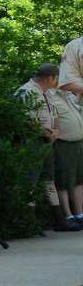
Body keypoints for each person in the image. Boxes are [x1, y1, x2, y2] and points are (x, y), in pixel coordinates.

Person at [16, 64, 77, 232]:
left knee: (48, 180)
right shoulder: (27, 91)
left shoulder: (47, 93)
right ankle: (28, 223)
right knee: (30, 181)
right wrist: (45, 133)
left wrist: (54, 132)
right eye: (57, 78)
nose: (58, 81)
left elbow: (54, 115)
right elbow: (25, 119)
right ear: (50, 77)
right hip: (32, 143)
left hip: (47, 143)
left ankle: (59, 221)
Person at [45, 82, 83, 228]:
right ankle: (68, 216)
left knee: (79, 180)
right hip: (63, 143)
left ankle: (79, 214)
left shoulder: (67, 94)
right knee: (63, 181)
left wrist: (79, 94)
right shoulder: (49, 95)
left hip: (78, 143)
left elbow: (79, 109)